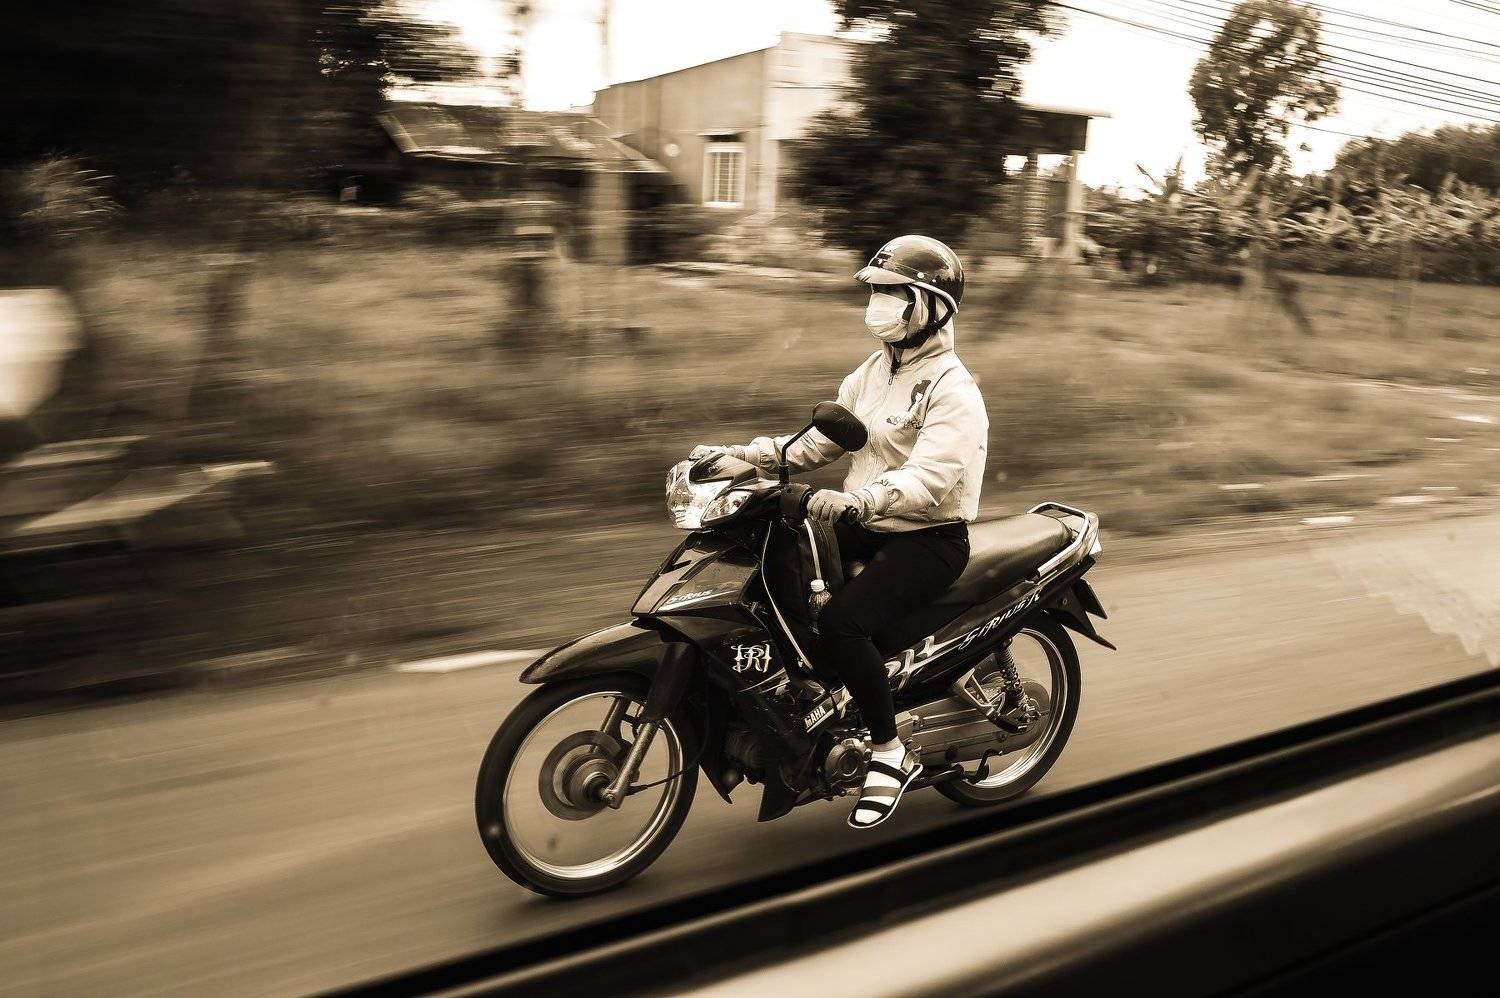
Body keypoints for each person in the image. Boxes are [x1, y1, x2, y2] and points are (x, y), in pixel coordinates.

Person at [692, 235, 989, 829]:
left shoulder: (953, 390)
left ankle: (889, 750)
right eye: (876, 292)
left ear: (931, 307)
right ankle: (812, 698)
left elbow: (931, 476)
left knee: (842, 623)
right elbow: (816, 444)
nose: (878, 304)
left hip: (926, 536)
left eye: (893, 293)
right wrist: (741, 457)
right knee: (771, 567)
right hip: (865, 519)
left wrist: (859, 500)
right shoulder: (874, 372)